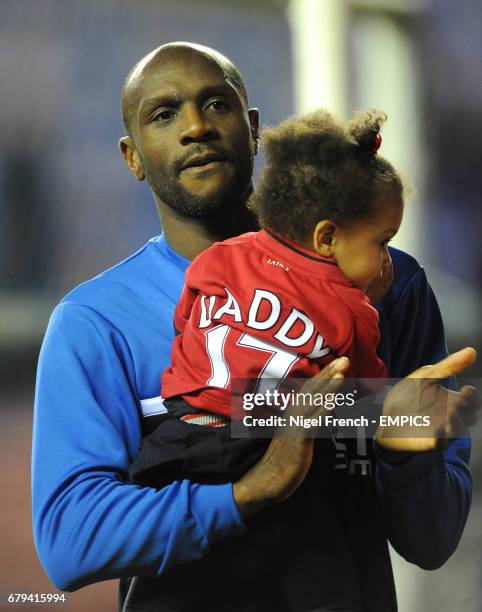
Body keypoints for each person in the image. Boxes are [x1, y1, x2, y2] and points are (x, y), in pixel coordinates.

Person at [31, 42, 479, 612]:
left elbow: (433, 538)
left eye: (215, 104)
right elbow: (71, 542)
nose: (196, 126)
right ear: (132, 156)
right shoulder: (96, 322)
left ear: (253, 129)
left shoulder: (392, 287)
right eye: (164, 114)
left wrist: (404, 453)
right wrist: (253, 489)